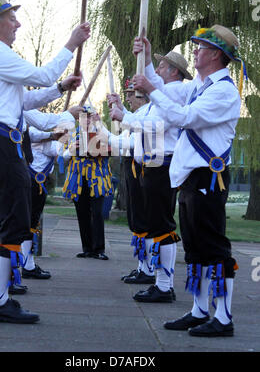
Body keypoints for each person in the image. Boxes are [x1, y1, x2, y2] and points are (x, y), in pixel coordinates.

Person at [0, 0, 90, 324]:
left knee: (0, 222)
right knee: (14, 222)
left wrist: (62, 87)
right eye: (12, 19)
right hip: (1, 147)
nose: (18, 24)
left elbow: (24, 100)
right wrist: (71, 42)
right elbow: (39, 75)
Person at [132, 25, 243, 336]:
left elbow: (183, 117)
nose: (194, 50)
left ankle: (222, 317)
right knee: (195, 247)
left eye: (201, 47)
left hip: (210, 177)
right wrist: (148, 59)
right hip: (193, 178)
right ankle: (199, 309)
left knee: (214, 247)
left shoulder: (223, 91)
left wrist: (151, 89)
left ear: (217, 55)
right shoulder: (200, 86)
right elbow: (163, 89)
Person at [110, 52, 191, 303]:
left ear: (175, 72)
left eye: (163, 66)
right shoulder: (163, 94)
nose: (157, 69)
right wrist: (145, 52)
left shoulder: (174, 93)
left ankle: (164, 285)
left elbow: (153, 127)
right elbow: (143, 118)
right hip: (153, 165)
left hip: (162, 164)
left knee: (161, 225)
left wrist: (124, 117)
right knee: (155, 224)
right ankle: (158, 280)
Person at [106, 80, 154, 284]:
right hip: (132, 166)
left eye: (131, 95)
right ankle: (143, 266)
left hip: (143, 168)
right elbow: (130, 123)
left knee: (144, 218)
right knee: (136, 220)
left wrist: (101, 132)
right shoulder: (140, 115)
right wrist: (119, 108)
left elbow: (128, 141)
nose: (128, 98)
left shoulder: (150, 113)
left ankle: (149, 269)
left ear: (143, 97)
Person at [62, 108, 112, 260]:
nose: (87, 120)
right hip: (77, 180)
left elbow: (112, 149)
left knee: (97, 213)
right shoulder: (71, 135)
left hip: (97, 179)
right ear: (79, 119)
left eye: (90, 117)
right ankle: (87, 248)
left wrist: (98, 148)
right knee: (82, 213)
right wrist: (72, 150)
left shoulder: (102, 132)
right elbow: (62, 156)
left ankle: (99, 249)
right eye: (84, 117)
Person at [20, 126, 64, 280]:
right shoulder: (36, 136)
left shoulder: (39, 137)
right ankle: (26, 266)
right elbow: (60, 151)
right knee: (28, 222)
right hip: (33, 182)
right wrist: (57, 135)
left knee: (30, 222)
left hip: (35, 182)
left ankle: (28, 264)